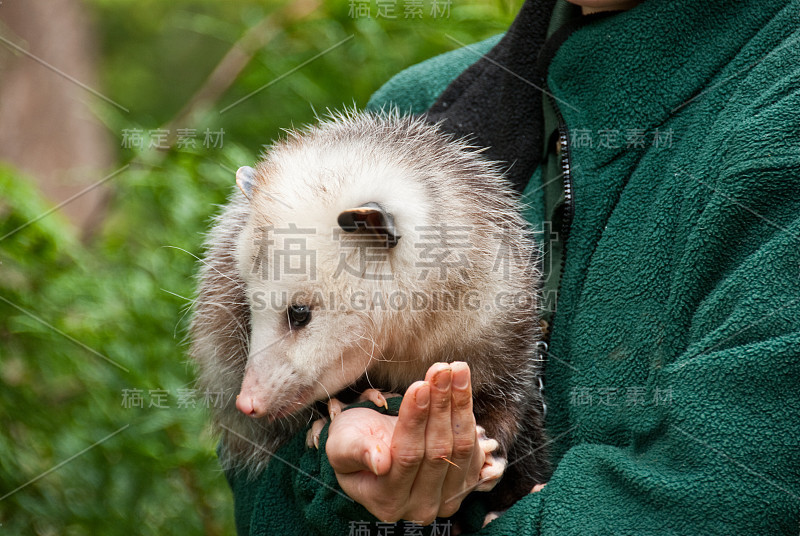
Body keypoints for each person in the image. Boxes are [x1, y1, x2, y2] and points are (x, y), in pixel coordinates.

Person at [225, 0, 800, 533]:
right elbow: (260, 477)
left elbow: (734, 488)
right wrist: (343, 479)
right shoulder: (401, 123)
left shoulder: (778, 99)